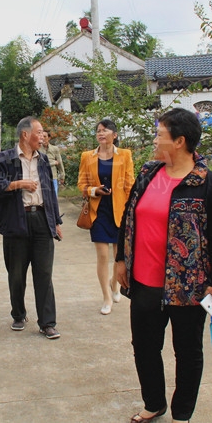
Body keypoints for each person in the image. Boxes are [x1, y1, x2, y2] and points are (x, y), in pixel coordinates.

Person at [115, 108, 212, 423]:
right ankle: (154, 403)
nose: (154, 140)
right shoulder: (148, 174)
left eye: (159, 135)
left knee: (187, 353)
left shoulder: (208, 184)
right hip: (143, 282)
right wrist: (120, 259)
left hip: (189, 288)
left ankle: (182, 414)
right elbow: (128, 218)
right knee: (145, 348)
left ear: (179, 141)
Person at [0, 117, 63, 339]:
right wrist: (17, 184)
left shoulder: (42, 160)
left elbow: (49, 190)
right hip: (16, 222)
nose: (42, 137)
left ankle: (47, 322)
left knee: (44, 274)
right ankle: (18, 315)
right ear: (25, 135)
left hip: (41, 220)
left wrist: (56, 221)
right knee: (16, 274)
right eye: (39, 132)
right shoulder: (4, 159)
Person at [77, 119, 134, 315]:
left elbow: (130, 184)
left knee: (120, 256)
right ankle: (106, 297)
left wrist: (130, 211)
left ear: (114, 135)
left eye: (105, 130)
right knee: (102, 256)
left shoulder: (125, 155)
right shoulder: (87, 156)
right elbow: (81, 184)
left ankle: (115, 284)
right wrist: (94, 190)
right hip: (98, 211)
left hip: (120, 211)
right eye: (98, 131)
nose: (101, 133)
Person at [43, 130, 65, 196]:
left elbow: (60, 163)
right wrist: (53, 162)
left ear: (49, 138)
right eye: (41, 136)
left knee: (54, 197)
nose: (43, 138)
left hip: (53, 176)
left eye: (44, 136)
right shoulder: (37, 149)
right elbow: (39, 163)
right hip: (41, 177)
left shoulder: (55, 149)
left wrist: (62, 176)